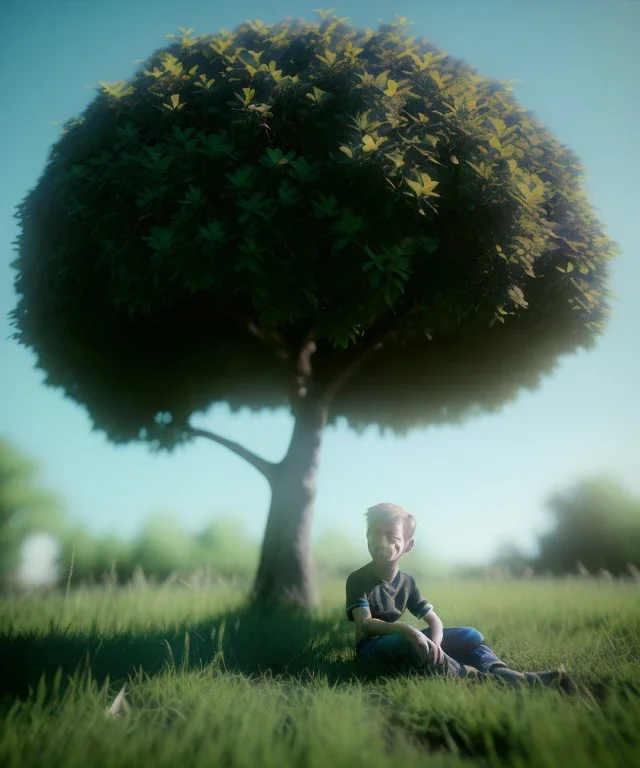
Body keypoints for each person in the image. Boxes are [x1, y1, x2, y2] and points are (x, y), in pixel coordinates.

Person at [346, 502, 575, 690]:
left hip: (404, 638)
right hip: (371, 649)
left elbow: (433, 619)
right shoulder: (358, 579)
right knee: (411, 643)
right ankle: (486, 681)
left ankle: (500, 670)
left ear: (407, 546)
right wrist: (407, 630)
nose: (382, 542)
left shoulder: (407, 582)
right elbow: (365, 624)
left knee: (470, 634)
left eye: (392, 537)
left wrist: (436, 643)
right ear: (367, 536)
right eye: (376, 534)